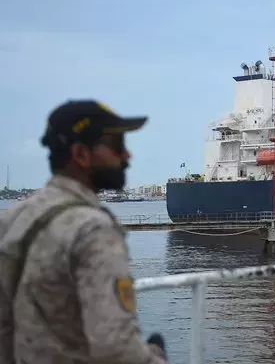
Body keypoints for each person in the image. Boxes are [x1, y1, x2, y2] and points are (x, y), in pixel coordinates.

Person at [0, 100, 167, 364]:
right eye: (117, 146)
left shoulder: (12, 219)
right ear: (80, 154)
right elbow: (116, 349)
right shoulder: (93, 229)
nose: (127, 156)